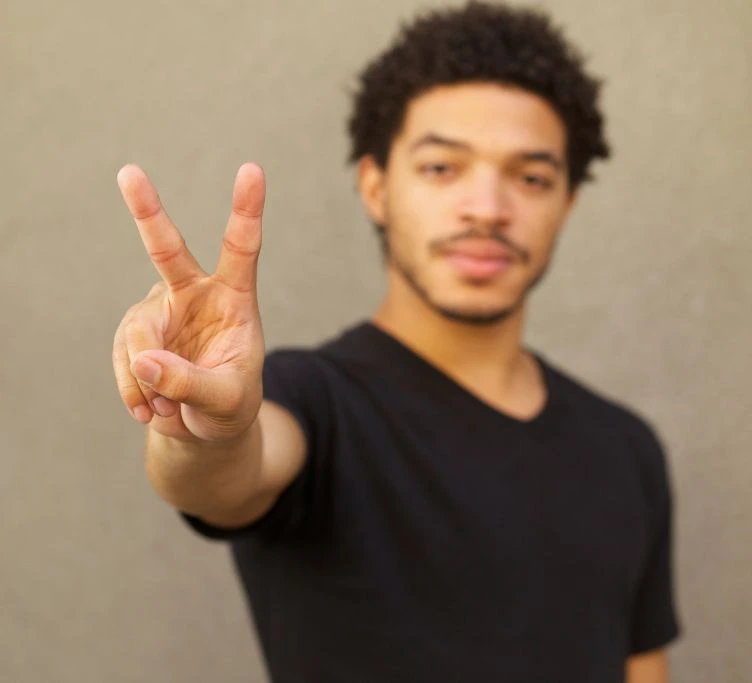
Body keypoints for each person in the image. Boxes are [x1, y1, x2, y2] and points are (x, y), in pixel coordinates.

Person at [111, 2, 681, 681]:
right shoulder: (315, 403)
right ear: (376, 187)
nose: (488, 207)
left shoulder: (625, 449)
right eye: (443, 168)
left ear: (566, 203)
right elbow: (224, 474)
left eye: (531, 177)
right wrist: (200, 426)